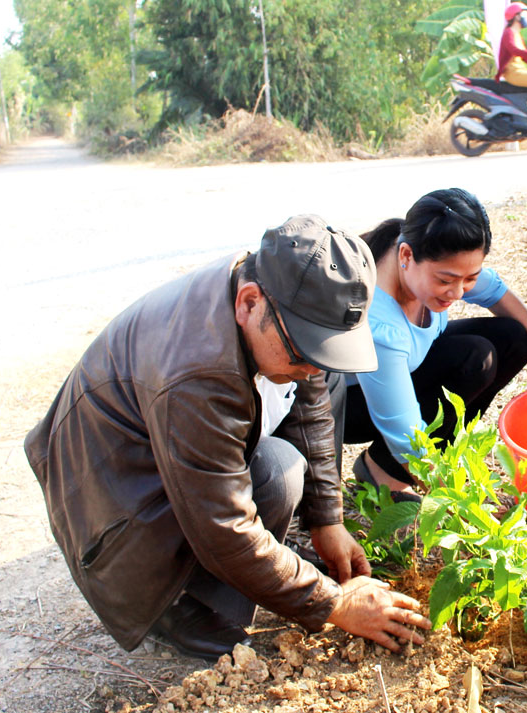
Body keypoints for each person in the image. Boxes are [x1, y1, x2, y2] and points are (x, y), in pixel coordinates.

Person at [25, 215, 432, 661]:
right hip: (113, 503)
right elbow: (224, 526)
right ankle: (176, 606)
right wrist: (333, 604)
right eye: (304, 352)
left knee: (294, 441)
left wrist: (327, 519)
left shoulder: (276, 292)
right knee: (277, 474)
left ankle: (230, 584)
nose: (311, 368)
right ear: (248, 303)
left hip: (161, 453)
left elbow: (311, 397)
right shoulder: (196, 376)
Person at [338, 188, 527, 499]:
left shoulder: (425, 252)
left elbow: (496, 292)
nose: (457, 292)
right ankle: (386, 476)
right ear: (406, 257)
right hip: (349, 406)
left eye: (469, 278)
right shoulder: (380, 322)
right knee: (474, 358)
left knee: (513, 338)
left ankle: (395, 464)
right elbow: (402, 429)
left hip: (404, 370)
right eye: (445, 280)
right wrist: (453, 499)